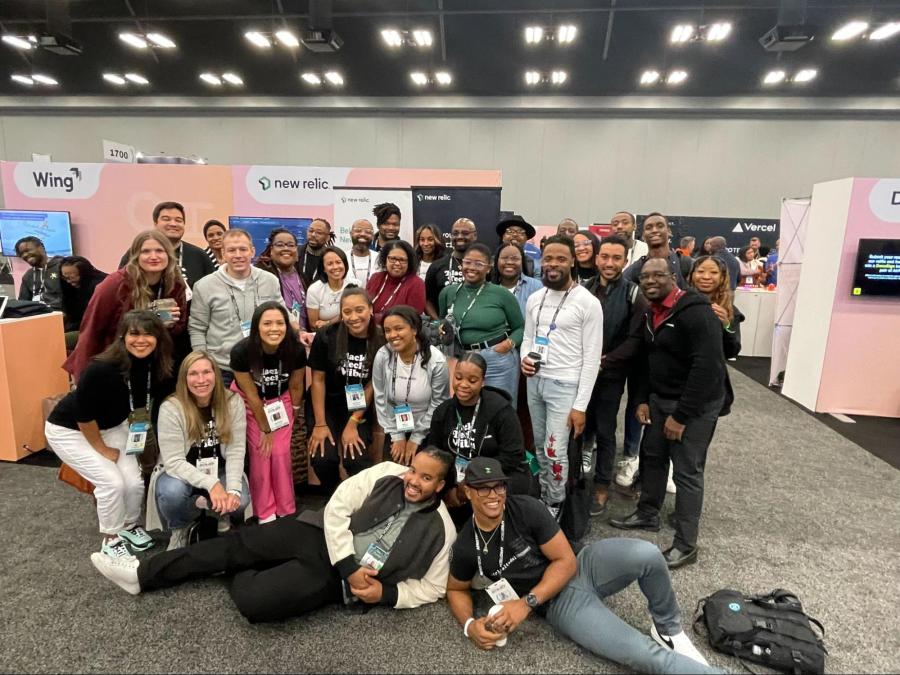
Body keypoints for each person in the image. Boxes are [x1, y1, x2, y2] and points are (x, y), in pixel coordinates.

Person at [90, 450, 458, 624]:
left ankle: (245, 561)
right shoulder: (388, 472)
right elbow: (338, 506)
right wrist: (347, 561)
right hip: (318, 535)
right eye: (414, 470)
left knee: (256, 605)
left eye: (426, 478)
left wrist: (387, 594)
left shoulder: (442, 530)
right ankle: (141, 574)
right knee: (231, 547)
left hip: (341, 582)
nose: (413, 479)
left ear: (440, 486)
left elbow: (434, 587)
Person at [446, 457, 718, 674]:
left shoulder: (526, 508)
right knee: (648, 655)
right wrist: (470, 625)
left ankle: (668, 629)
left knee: (648, 554)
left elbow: (565, 561)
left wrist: (523, 604)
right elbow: (455, 589)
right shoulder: (467, 545)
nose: (493, 494)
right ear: (468, 492)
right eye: (483, 487)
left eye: (499, 486)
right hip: (560, 604)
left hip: (582, 565)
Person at [611, 258, 732, 570]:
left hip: (695, 405)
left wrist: (682, 416)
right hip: (659, 399)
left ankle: (686, 544)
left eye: (658, 275)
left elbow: (708, 367)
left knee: (687, 472)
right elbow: (646, 362)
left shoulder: (696, 311)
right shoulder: (652, 311)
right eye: (645, 276)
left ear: (674, 276)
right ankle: (647, 513)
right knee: (653, 456)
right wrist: (641, 399)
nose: (650, 280)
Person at [46, 310, 174, 561]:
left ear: (159, 338)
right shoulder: (101, 369)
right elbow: (83, 415)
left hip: (115, 426)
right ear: (122, 337)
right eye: (134, 334)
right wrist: (102, 449)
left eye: (149, 334)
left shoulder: (157, 366)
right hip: (70, 429)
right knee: (111, 482)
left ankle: (128, 526)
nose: (141, 340)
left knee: (134, 482)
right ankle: (111, 539)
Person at [521, 235, 603, 516]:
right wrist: (524, 359)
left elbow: (592, 358)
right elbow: (529, 338)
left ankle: (555, 505)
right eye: (548, 258)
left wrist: (580, 406)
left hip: (565, 386)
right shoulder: (535, 298)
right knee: (541, 448)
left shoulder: (588, 302)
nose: (553, 264)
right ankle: (546, 496)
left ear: (572, 261)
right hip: (536, 382)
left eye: (560, 258)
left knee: (556, 451)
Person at [148, 350, 250, 550]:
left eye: (206, 372)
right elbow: (174, 462)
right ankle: (181, 527)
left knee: (242, 500)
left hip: (218, 469)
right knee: (171, 494)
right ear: (184, 378)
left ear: (216, 375)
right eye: (193, 374)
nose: (201, 379)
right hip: (180, 473)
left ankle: (217, 511)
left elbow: (236, 450)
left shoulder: (232, 402)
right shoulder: (171, 407)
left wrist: (233, 489)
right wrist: (212, 485)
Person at [65, 230, 188, 379]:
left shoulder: (175, 283)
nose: (154, 256)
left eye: (159, 251)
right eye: (146, 251)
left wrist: (170, 325)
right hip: (116, 360)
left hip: (157, 360)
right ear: (136, 256)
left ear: (168, 254)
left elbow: (179, 328)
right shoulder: (115, 284)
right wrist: (82, 376)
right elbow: (92, 329)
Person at [584, 236, 649, 515]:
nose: (609, 263)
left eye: (616, 258)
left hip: (611, 375)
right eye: (605, 257)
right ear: (597, 258)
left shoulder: (634, 294)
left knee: (605, 429)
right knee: (577, 426)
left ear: (625, 261)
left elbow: (635, 340)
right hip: (581, 372)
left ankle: (601, 486)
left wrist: (605, 361)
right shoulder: (583, 289)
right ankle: (575, 481)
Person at [430, 354, 532, 525]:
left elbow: (513, 456)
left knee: (484, 494)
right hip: (456, 480)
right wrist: (449, 487)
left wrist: (473, 480)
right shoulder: (443, 412)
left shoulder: (501, 411)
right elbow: (436, 454)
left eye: (472, 380)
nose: (463, 385)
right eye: (458, 377)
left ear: (483, 382)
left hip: (495, 477)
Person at [230, 301, 305, 524]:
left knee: (280, 452)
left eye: (280, 323)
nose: (274, 329)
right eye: (267, 323)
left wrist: (294, 413)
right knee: (262, 453)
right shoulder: (242, 351)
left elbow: (297, 385)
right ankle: (264, 511)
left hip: (281, 402)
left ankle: (286, 508)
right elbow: (251, 395)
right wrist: (265, 428)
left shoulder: (296, 349)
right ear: (256, 327)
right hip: (249, 402)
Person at [307, 288, 385, 493]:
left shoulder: (380, 338)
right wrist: (320, 423)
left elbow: (373, 384)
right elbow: (317, 380)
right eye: (347, 312)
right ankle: (333, 496)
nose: (353, 317)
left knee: (356, 459)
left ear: (370, 309)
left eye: (359, 310)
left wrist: (353, 422)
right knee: (323, 458)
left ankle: (357, 500)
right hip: (326, 404)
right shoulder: (327, 335)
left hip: (359, 406)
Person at [189, 229, 283, 387]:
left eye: (243, 249)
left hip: (261, 364)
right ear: (223, 253)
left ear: (252, 251)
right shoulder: (204, 286)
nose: (238, 255)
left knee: (259, 411)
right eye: (232, 250)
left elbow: (282, 314)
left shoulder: (270, 280)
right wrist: (202, 362)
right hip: (223, 368)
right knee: (225, 412)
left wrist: (299, 332)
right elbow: (197, 328)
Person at [439, 242, 524, 394]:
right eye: (467, 262)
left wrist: (508, 344)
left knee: (499, 409)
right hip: (462, 359)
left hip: (496, 359)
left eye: (478, 264)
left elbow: (520, 327)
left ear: (488, 267)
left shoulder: (501, 294)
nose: (471, 267)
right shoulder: (448, 293)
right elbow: (442, 322)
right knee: (465, 409)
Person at [373, 306, 449, 466]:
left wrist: (416, 438)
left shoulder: (436, 360)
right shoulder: (383, 355)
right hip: (395, 427)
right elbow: (381, 398)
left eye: (398, 328)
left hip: (428, 430)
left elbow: (439, 404)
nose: (392, 335)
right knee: (390, 478)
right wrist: (397, 436)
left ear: (414, 329)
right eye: (387, 330)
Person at [118, 201, 216, 290]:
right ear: (155, 223)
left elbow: (214, 289)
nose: (173, 224)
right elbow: (121, 288)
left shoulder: (199, 255)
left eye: (178, 220)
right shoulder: (137, 252)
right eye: (166, 219)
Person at [254, 228, 308, 332]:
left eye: (291, 245)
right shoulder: (263, 275)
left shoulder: (303, 274)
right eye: (280, 245)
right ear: (271, 250)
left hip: (303, 338)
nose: (286, 248)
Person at [689, 256, 744, 360]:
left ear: (722, 277)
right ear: (692, 275)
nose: (706, 276)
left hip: (712, 371)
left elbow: (732, 352)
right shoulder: (680, 303)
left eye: (714, 272)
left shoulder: (730, 311)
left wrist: (726, 326)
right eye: (700, 271)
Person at [425, 217, 477, 319]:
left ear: (475, 236)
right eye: (455, 233)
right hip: (444, 327)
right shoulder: (437, 266)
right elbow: (427, 300)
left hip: (476, 326)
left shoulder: (482, 266)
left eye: (465, 233)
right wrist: (439, 322)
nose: (460, 236)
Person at [623, 213, 692, 288]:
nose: (654, 230)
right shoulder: (636, 269)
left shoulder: (685, 263)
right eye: (649, 228)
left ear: (669, 231)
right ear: (643, 235)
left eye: (660, 226)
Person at [366, 240, 426, 324]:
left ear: (409, 262)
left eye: (402, 260)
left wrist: (372, 318)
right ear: (385, 259)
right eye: (393, 258)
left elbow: (411, 318)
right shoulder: (375, 278)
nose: (397, 263)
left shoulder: (416, 283)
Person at [59, 255, 108, 350]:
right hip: (79, 326)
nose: (69, 281)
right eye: (65, 278)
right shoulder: (68, 287)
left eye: (73, 277)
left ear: (84, 274)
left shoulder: (99, 286)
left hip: (95, 331)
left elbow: (98, 320)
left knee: (57, 341)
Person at [306, 246, 359, 329]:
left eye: (338, 262)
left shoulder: (356, 284)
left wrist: (328, 322)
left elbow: (357, 315)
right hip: (325, 335)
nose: (335, 267)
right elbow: (314, 325)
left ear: (345, 264)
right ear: (323, 269)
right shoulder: (314, 290)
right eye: (330, 264)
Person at [15, 235, 63, 310]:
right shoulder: (28, 275)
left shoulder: (62, 266)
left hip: (61, 315)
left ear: (41, 247)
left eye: (28, 250)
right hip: (37, 315)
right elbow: (22, 302)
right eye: (21, 254)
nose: (25, 255)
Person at [296, 218, 333, 287]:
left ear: (327, 237)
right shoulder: (295, 253)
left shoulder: (331, 258)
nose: (313, 235)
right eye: (310, 231)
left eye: (319, 232)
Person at [347, 219, 377, 288]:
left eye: (368, 232)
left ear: (372, 236)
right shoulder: (341, 258)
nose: (363, 234)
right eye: (358, 230)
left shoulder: (380, 259)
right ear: (351, 234)